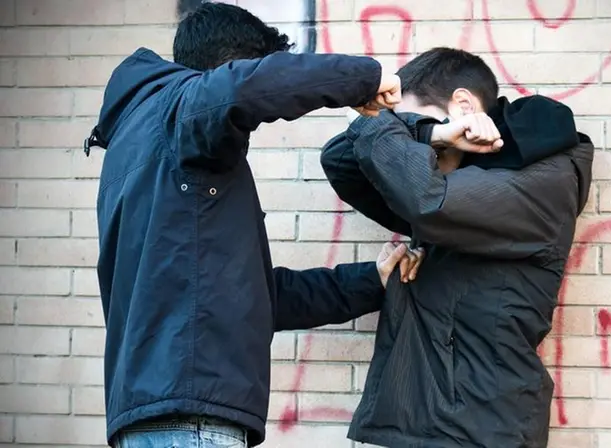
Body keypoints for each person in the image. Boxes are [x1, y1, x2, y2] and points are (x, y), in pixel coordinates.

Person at [85, 3, 422, 447]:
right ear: (230, 68)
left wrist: (371, 281)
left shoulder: (149, 149)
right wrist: (365, 79)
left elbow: (254, 298)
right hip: (192, 420)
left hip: (167, 415)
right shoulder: (182, 111)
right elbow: (240, 90)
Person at [320, 47, 595, 447]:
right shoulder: (456, 176)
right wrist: (428, 132)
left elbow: (427, 201)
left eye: (420, 122)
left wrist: (379, 123)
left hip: (481, 428)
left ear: (463, 104)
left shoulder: (542, 183)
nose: (421, 155)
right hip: (425, 422)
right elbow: (342, 162)